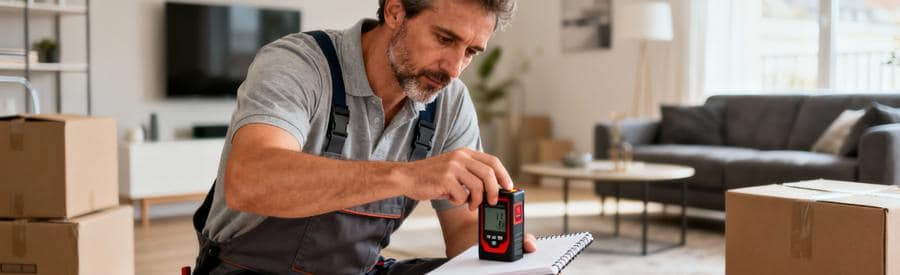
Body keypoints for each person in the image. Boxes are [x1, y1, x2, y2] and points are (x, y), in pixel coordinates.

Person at [191, 0, 536, 274]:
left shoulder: (450, 100)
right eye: (444, 39)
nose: (454, 69)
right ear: (395, 11)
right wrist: (406, 176)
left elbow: (462, 227)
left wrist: (502, 258)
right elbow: (249, 181)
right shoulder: (298, 64)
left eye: (471, 51)